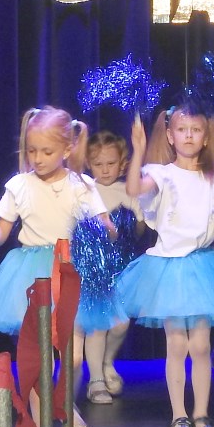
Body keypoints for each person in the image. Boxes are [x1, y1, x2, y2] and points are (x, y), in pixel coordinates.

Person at [0, 106, 113, 427]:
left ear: (66, 149)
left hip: (68, 269)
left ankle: (67, 408)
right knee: (40, 362)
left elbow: (105, 225)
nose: (37, 158)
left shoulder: (81, 185)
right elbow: (1, 230)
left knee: (74, 356)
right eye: (32, 150)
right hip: (32, 274)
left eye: (47, 152)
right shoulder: (19, 185)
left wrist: (104, 230)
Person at [116, 104, 214, 427]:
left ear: (205, 137)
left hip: (201, 266)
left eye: (195, 130)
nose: (188, 136)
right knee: (177, 344)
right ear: (170, 136)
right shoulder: (162, 173)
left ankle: (202, 414)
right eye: (182, 130)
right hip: (168, 267)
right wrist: (138, 150)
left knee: (201, 345)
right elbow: (134, 189)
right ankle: (179, 416)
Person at [85, 129, 144, 400]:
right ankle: (96, 379)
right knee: (97, 324)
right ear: (89, 164)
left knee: (120, 324)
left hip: (123, 267)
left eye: (111, 163)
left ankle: (107, 361)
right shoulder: (85, 190)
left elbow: (140, 228)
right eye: (98, 164)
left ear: (122, 164)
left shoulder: (128, 191)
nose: (105, 169)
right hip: (93, 269)